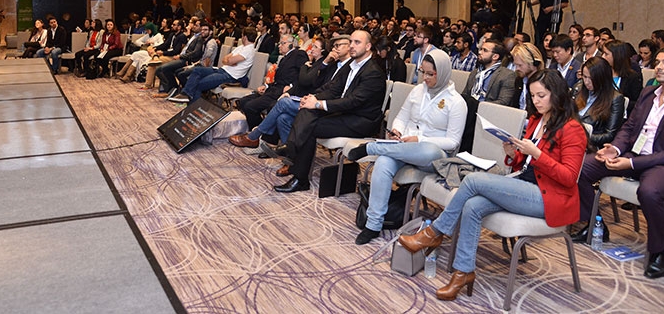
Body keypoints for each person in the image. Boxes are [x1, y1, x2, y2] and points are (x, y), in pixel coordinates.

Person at [398, 70, 586, 301]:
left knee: (474, 180)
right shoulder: (537, 120)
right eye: (533, 95)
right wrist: (513, 153)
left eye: (541, 95)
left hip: (548, 198)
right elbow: (523, 164)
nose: (536, 101)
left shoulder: (572, 129)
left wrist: (536, 153)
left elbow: (569, 177)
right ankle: (463, 272)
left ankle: (435, 232)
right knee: (473, 206)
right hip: (524, 183)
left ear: (556, 94)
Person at [571, 48, 664, 279]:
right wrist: (615, 149)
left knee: (650, 192)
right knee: (579, 167)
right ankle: (596, 224)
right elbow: (630, 127)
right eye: (658, 62)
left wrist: (630, 164)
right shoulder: (649, 93)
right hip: (634, 155)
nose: (659, 66)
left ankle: (660, 251)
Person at [348, 49, 467, 245]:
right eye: (423, 72)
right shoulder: (418, 90)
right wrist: (397, 131)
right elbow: (402, 117)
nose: (425, 78)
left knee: (426, 149)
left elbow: (452, 142)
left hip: (433, 156)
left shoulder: (456, 103)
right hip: (403, 148)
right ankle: (373, 224)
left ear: (444, 73)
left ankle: (372, 148)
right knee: (384, 163)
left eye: (430, 74)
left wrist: (418, 139)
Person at [271, 30, 386, 193]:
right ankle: (293, 152)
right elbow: (333, 90)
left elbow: (353, 102)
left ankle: (298, 170)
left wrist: (318, 104)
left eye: (357, 42)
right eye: (351, 42)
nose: (352, 46)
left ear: (368, 47)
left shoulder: (373, 72)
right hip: (344, 114)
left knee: (310, 125)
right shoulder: (351, 66)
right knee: (307, 111)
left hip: (361, 121)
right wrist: (312, 98)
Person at [169, 26, 257, 104]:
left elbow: (229, 60)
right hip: (222, 70)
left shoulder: (249, 50)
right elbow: (225, 59)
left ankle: (193, 109)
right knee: (197, 70)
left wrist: (229, 60)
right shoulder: (240, 47)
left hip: (230, 76)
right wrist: (229, 61)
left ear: (244, 37)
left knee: (198, 84)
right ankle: (186, 94)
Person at [576, 57, 625, 152]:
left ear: (602, 78)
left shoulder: (615, 99)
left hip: (591, 146)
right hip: (569, 138)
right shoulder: (578, 89)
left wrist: (580, 135)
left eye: (591, 78)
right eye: (584, 77)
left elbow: (610, 135)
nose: (586, 82)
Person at [601, 39, 643, 115]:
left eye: (606, 54)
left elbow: (637, 103)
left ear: (617, 55)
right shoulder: (601, 72)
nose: (603, 57)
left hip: (621, 116)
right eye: (602, 53)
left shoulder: (632, 77)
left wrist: (621, 102)